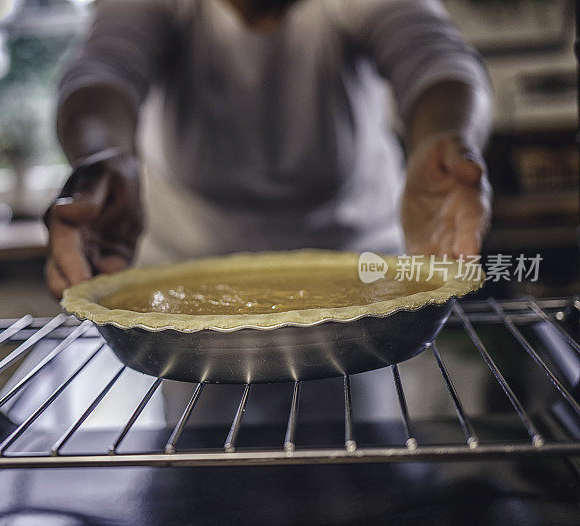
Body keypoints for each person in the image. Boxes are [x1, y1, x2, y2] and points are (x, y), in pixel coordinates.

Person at [45, 0, 493, 424]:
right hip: (186, 297)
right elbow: (102, 73)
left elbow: (436, 59)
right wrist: (102, 155)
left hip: (363, 285)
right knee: (211, 467)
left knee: (359, 464)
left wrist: (446, 137)